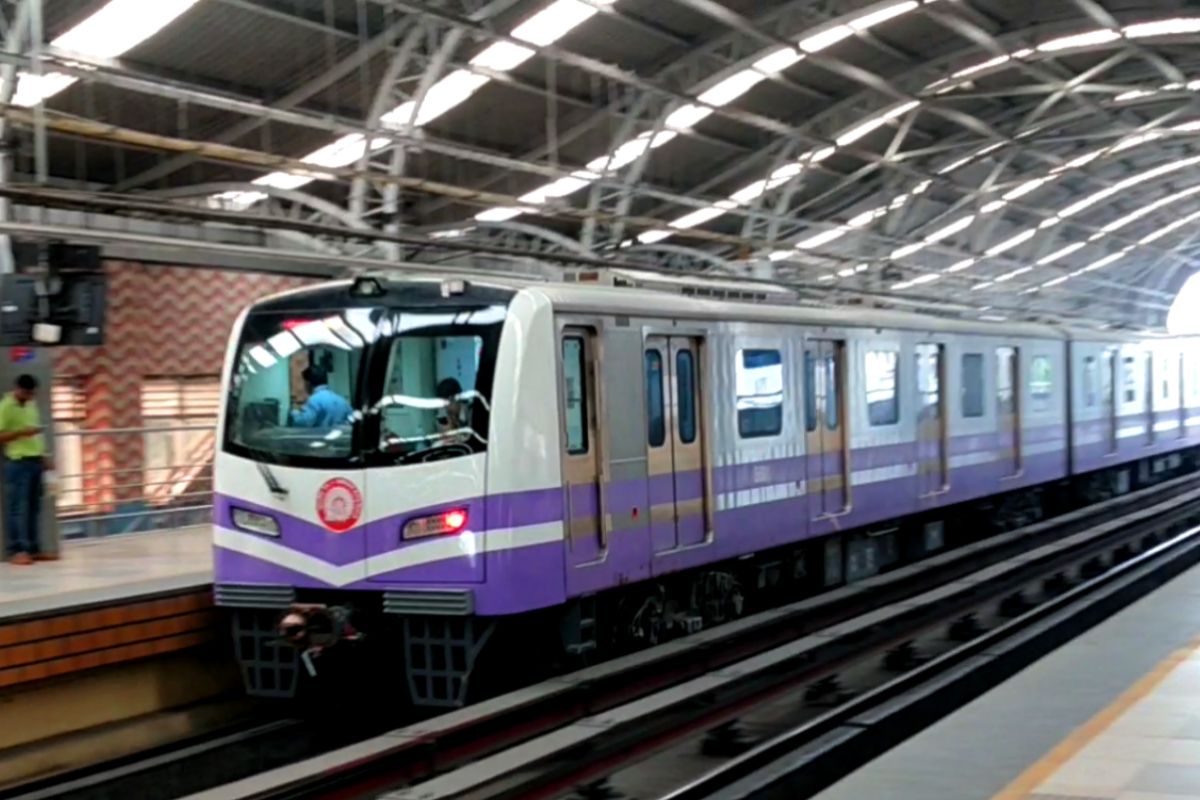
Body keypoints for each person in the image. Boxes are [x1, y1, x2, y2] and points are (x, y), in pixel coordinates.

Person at [0, 374, 51, 565]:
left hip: (35, 461)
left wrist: (45, 457)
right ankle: (16, 550)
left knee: (33, 508)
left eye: (32, 393)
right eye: (27, 392)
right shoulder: (6, 406)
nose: (30, 396)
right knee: (16, 509)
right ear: (18, 389)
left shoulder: (31, 405)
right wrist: (21, 433)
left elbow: (37, 434)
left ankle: (33, 549)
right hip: (17, 462)